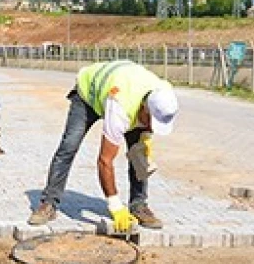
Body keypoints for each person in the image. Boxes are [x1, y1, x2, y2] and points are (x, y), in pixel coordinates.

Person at [29, 60, 179, 232]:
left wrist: (144, 141)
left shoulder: (163, 94)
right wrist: (115, 206)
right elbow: (104, 161)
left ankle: (139, 205)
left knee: (139, 154)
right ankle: (49, 202)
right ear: (144, 109)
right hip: (88, 95)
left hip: (122, 88)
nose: (152, 129)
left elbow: (148, 131)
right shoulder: (121, 107)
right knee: (68, 147)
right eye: (151, 123)